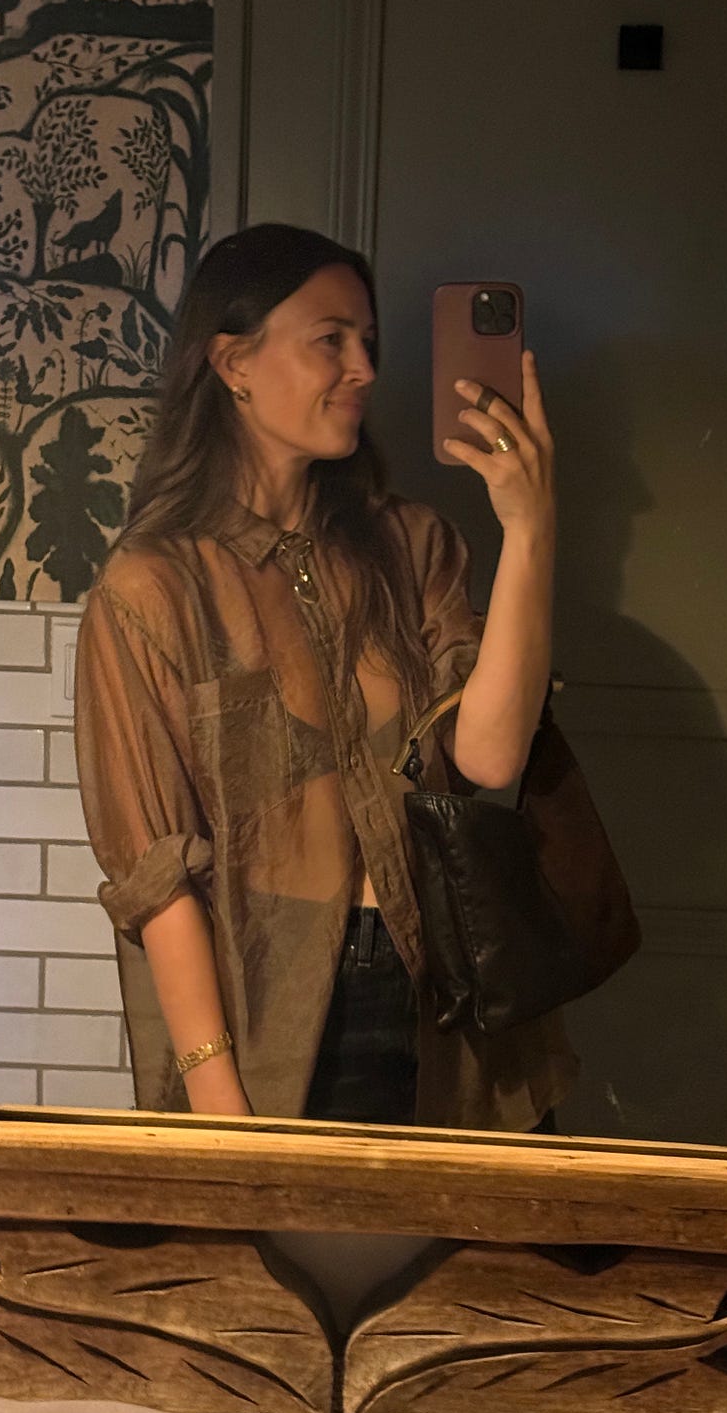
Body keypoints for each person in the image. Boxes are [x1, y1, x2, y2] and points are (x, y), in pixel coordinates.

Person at [74, 223, 576, 1129]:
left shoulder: (411, 546)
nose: (365, 369)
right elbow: (158, 878)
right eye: (331, 339)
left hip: (455, 1013)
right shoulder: (151, 591)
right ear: (234, 363)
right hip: (278, 1025)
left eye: (368, 342)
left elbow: (491, 757)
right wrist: (219, 1100)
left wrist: (530, 529)